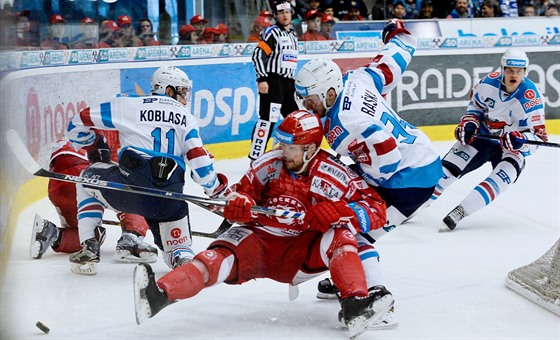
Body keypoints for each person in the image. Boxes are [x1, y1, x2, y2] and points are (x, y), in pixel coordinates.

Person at [133, 111, 393, 338]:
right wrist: (238, 204)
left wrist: (340, 210)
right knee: (212, 259)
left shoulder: (334, 172)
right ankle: (159, 294)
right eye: (283, 144)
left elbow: (377, 209)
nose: (284, 151)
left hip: (302, 252)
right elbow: (238, 194)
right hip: (259, 245)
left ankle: (355, 306)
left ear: (311, 149)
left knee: (341, 233)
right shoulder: (269, 163)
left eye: (291, 147)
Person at [294, 20, 443, 297]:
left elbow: (386, 155)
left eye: (310, 99)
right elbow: (395, 57)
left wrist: (361, 182)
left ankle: (374, 295)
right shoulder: (355, 78)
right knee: (347, 219)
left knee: (351, 230)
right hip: (422, 157)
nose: (306, 105)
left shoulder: (343, 124)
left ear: (328, 93)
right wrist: (397, 35)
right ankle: (347, 270)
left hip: (406, 179)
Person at [64, 66, 228, 274]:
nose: (185, 100)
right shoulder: (187, 119)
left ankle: (89, 245)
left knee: (85, 181)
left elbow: (77, 122)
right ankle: (180, 254)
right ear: (169, 90)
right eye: (183, 92)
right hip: (169, 202)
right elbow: (200, 163)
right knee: (182, 254)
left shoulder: (127, 105)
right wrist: (216, 191)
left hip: (129, 194)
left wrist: (90, 141)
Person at [429, 48, 548, 232]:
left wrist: (522, 140)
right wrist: (470, 123)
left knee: (505, 174)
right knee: (447, 170)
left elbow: (539, 137)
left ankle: (460, 212)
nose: (514, 75)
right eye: (509, 70)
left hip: (509, 146)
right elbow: (475, 108)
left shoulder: (531, 99)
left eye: (518, 71)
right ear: (502, 69)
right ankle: (414, 205)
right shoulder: (487, 83)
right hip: (484, 135)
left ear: (525, 72)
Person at [31, 139, 158, 264]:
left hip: (58, 187)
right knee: (138, 197)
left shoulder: (73, 138)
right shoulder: (111, 138)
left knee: (88, 236)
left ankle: (51, 233)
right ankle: (130, 238)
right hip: (89, 174)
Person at [248, 0, 300, 162]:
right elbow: (258, 56)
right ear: (276, 16)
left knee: (295, 119)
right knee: (267, 120)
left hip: (288, 84)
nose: (285, 16)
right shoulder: (272, 33)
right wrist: (262, 79)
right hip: (273, 83)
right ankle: (255, 158)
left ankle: (296, 154)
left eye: (287, 12)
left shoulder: (293, 34)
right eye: (281, 13)